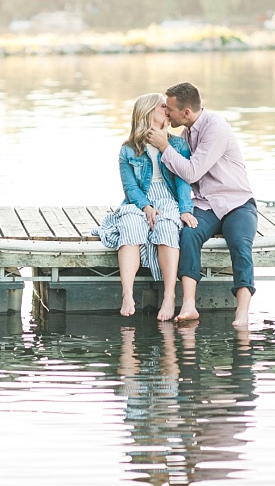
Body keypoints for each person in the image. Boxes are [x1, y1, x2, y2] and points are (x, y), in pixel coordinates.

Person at [145, 82, 258, 327]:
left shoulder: (215, 128)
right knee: (188, 235)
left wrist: (164, 146)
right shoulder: (186, 133)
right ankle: (188, 305)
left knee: (239, 243)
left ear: (186, 113)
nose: (167, 113)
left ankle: (242, 312)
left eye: (170, 110)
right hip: (206, 205)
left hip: (236, 202)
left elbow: (192, 172)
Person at [93, 93, 198, 320]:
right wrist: (146, 206)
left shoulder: (178, 144)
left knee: (168, 225)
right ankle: (127, 294)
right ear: (149, 112)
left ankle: (169, 297)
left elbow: (183, 182)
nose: (169, 111)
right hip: (139, 199)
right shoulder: (128, 149)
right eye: (163, 107)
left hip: (168, 198)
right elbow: (130, 188)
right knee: (130, 221)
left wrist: (185, 209)